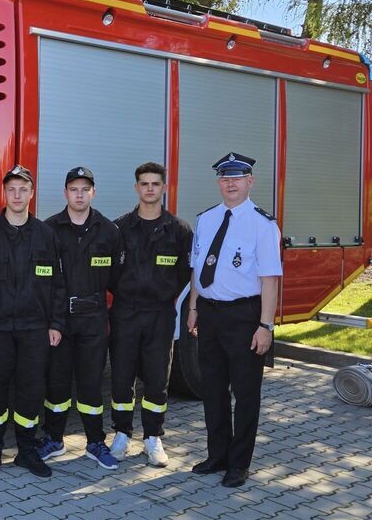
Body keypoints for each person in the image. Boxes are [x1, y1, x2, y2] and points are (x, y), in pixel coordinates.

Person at [188, 152, 281, 488]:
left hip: (244, 316)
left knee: (245, 393)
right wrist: (194, 308)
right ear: (219, 182)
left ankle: (239, 464)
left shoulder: (262, 223)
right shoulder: (206, 219)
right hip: (210, 314)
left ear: (249, 182)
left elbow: (270, 279)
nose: (230, 183)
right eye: (225, 178)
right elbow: (198, 268)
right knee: (212, 390)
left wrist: (265, 325)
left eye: (237, 178)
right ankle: (217, 456)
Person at [0, 165, 65, 479]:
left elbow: (57, 283)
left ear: (31, 193)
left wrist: (56, 323)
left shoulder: (45, 234)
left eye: (23, 189)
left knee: (30, 391)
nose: (17, 195)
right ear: (4, 193)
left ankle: (27, 451)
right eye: (11, 189)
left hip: (35, 328)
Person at [109, 162, 193, 467]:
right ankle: (121, 434)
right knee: (121, 376)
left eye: (155, 184)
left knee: (158, 377)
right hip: (125, 312)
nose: (149, 189)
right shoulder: (119, 228)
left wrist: (162, 291)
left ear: (163, 188)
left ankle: (153, 438)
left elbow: (186, 272)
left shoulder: (179, 230)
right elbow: (109, 271)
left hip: (160, 313)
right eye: (144, 184)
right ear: (136, 188)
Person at [42, 167, 123, 470]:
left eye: (85, 189)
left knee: (91, 385)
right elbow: (45, 279)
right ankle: (53, 438)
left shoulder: (109, 231)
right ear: (65, 193)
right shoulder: (49, 230)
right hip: (61, 320)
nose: (79, 194)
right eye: (73, 189)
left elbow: (117, 276)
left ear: (93, 192)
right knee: (57, 384)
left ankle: (94, 442)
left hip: (93, 319)